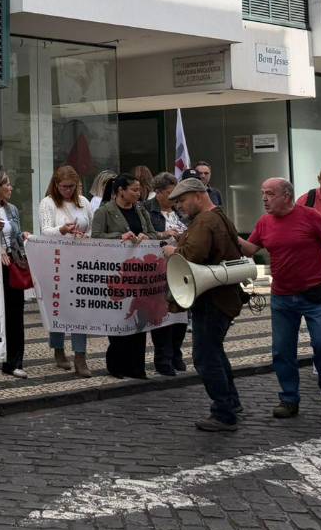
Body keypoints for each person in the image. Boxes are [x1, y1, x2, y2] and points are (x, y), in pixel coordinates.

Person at [238, 178, 321, 418]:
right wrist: (227, 231)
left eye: (269, 193)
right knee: (282, 351)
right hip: (282, 297)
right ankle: (289, 399)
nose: (264, 198)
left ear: (286, 196)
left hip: (315, 295)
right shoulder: (265, 222)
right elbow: (249, 250)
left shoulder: (310, 216)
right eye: (263, 193)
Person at [164, 177, 244, 431]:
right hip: (221, 296)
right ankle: (231, 402)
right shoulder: (219, 216)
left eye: (183, 200)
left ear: (198, 196)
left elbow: (192, 257)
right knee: (215, 351)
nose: (180, 206)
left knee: (205, 356)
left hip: (211, 298)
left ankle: (223, 412)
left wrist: (172, 252)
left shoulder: (205, 221)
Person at [90, 173, 159, 379]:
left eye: (139, 190)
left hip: (139, 274)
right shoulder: (105, 212)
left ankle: (137, 366)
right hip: (116, 273)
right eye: (134, 190)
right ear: (120, 191)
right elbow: (96, 238)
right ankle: (117, 365)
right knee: (120, 318)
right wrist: (119, 237)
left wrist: (147, 236)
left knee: (140, 318)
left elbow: (154, 233)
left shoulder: (140, 210)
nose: (138, 194)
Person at [37, 165, 91, 376]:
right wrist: (62, 229)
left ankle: (80, 356)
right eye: (64, 187)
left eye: (72, 187)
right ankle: (58, 348)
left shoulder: (84, 202)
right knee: (57, 306)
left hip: (80, 259)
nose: (68, 191)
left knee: (80, 309)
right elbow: (45, 231)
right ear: (56, 185)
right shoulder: (48, 203)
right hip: (56, 260)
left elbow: (92, 227)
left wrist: (85, 236)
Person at [0, 170, 30, 379]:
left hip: (11, 263)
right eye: (6, 184)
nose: (10, 188)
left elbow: (15, 236)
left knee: (14, 313)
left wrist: (24, 236)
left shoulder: (12, 209)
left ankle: (14, 362)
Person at [147, 172, 188, 376]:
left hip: (181, 267)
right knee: (163, 314)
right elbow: (146, 234)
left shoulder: (181, 210)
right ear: (159, 193)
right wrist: (164, 234)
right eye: (170, 193)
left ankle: (176, 353)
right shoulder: (147, 210)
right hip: (158, 270)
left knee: (181, 313)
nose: (174, 198)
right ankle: (162, 357)